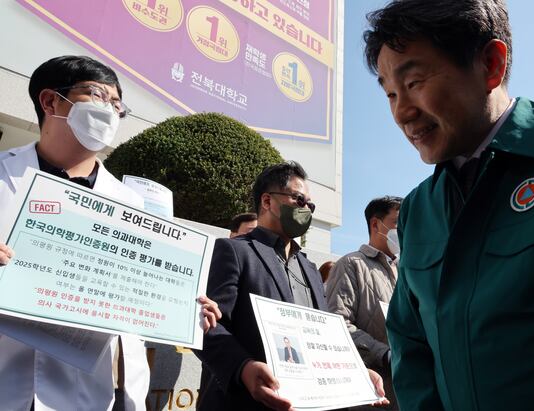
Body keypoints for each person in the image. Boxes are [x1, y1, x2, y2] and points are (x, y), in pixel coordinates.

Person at [363, 1, 534, 410]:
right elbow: (411, 346)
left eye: (414, 82)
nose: (401, 112)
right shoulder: (417, 210)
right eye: (390, 93)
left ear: (491, 64)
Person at [0, 55, 221, 411]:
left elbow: (143, 294)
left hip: (90, 393)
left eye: (117, 105)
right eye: (97, 95)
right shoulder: (4, 175)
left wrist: (186, 309)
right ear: (51, 101)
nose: (110, 111)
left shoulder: (130, 204)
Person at [195, 161, 388, 411]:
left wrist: (356, 372)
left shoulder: (310, 269)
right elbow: (205, 324)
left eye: (310, 205)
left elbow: (324, 336)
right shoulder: (233, 251)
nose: (306, 209)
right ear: (267, 201)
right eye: (299, 200)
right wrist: (243, 367)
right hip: (245, 403)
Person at [326, 196, 402, 410]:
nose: (404, 229)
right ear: (375, 224)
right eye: (398, 222)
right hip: (371, 391)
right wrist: (385, 354)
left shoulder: (406, 269)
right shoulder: (351, 264)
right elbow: (338, 324)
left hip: (406, 387)